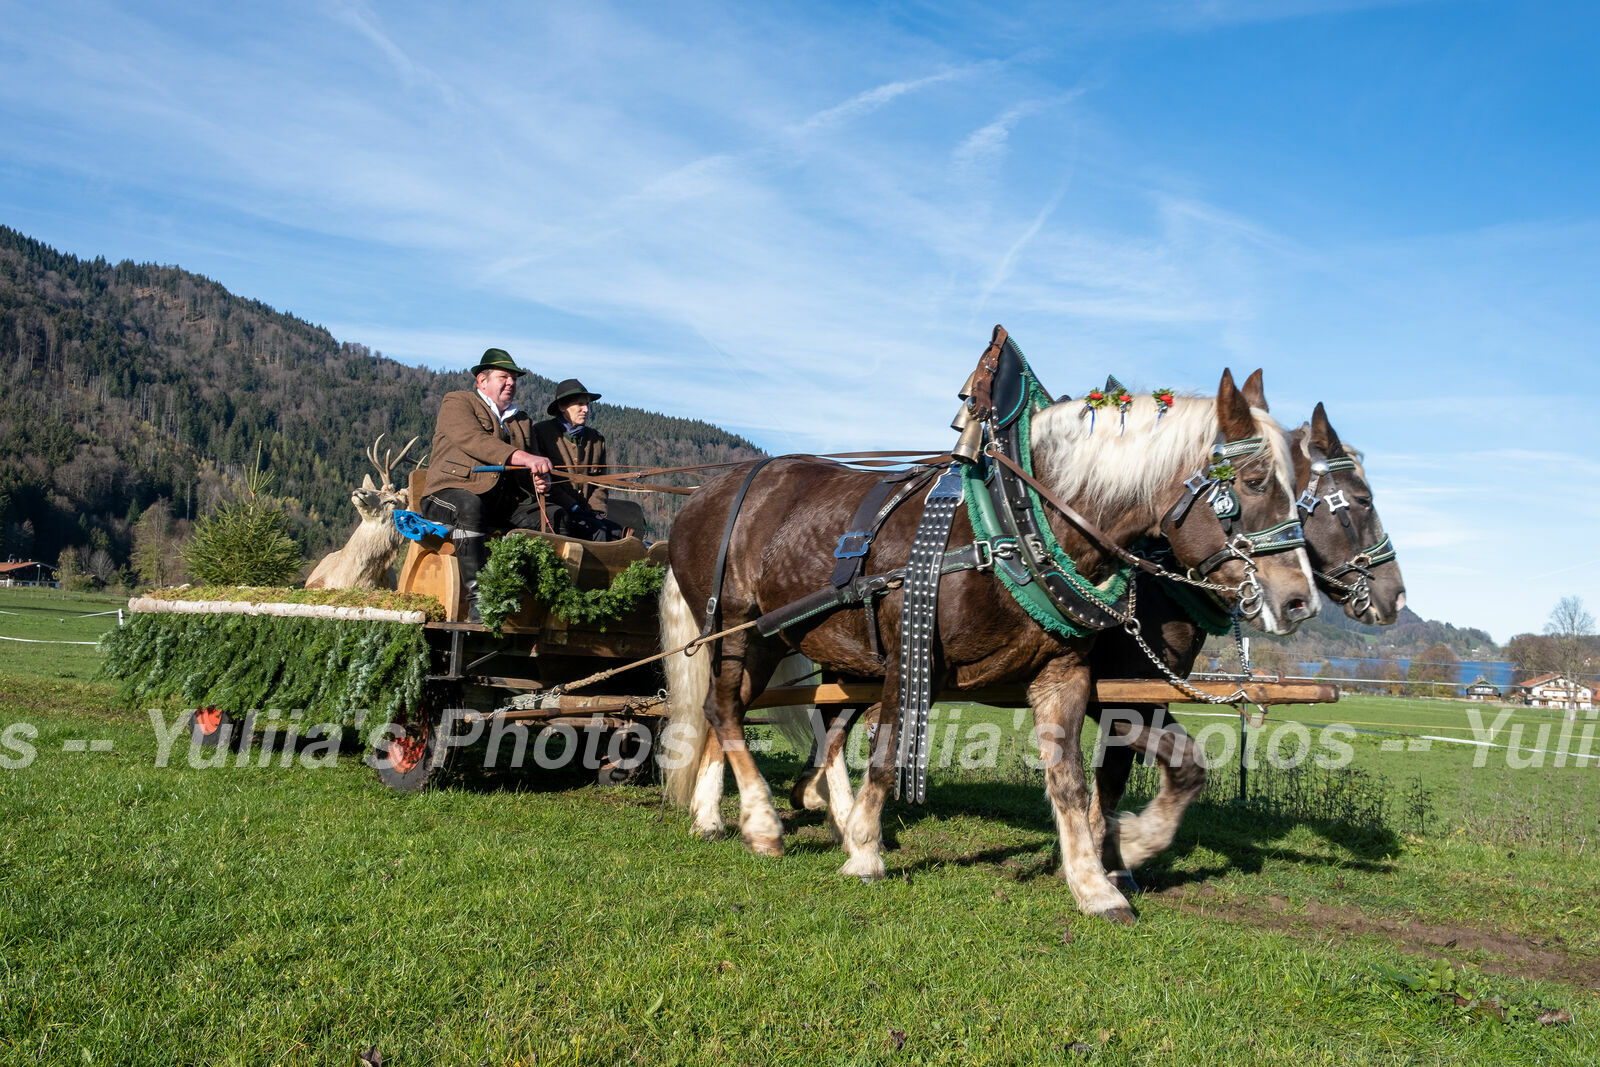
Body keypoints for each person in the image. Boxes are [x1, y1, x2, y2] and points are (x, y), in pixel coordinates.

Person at [419, 348, 553, 611]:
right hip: (447, 494)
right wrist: (524, 458)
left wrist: (538, 480)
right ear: (482, 380)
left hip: (499, 503)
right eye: (504, 376)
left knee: (555, 517)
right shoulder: (457, 402)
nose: (511, 383)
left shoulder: (522, 420)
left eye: (514, 378)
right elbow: (474, 440)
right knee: (469, 506)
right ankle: (479, 601)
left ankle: (541, 601)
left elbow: (528, 470)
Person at [533, 378, 627, 542]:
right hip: (555, 507)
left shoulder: (596, 439)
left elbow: (601, 482)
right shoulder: (542, 432)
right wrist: (573, 506)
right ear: (562, 407)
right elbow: (545, 481)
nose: (585, 409)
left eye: (587, 404)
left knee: (618, 533)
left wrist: (596, 510)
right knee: (599, 532)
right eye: (579, 404)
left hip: (587, 511)